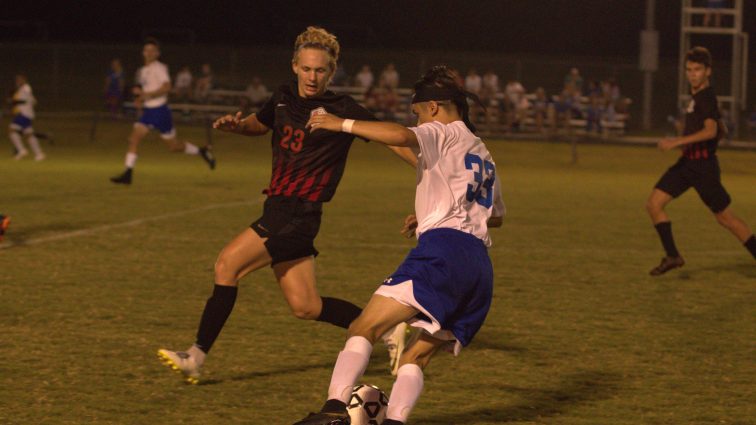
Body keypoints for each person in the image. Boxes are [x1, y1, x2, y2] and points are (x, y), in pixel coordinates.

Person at [156, 26, 413, 384]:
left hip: (296, 213)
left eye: (320, 70)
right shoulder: (281, 98)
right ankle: (387, 328)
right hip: (280, 210)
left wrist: (424, 166)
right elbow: (258, 125)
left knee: (226, 265)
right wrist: (236, 126)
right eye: (306, 68)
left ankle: (195, 356)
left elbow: (390, 138)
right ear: (294, 66)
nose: (312, 76)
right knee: (306, 307)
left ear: (331, 72)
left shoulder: (342, 109)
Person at [294, 65, 505, 425]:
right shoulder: (482, 151)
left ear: (434, 108)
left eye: (418, 112)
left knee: (364, 328)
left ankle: (332, 412)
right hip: (479, 269)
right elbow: (495, 216)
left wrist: (338, 123)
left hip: (443, 254)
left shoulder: (442, 131)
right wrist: (428, 212)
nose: (417, 120)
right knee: (414, 359)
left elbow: (398, 136)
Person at [646, 46, 756, 275]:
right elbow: (719, 128)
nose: (692, 74)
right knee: (654, 204)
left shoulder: (705, 97)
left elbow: (710, 130)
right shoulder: (696, 98)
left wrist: (677, 141)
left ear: (708, 71)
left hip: (703, 168)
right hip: (687, 165)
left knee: (726, 219)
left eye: (697, 69)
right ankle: (673, 256)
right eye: (689, 69)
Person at [110, 38, 215, 185]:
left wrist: (148, 95)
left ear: (157, 53)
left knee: (173, 146)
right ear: (143, 52)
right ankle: (128, 174)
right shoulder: (142, 71)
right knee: (133, 139)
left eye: (152, 50)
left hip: (160, 112)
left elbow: (166, 87)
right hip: (149, 112)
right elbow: (146, 90)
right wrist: (140, 98)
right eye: (147, 50)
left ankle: (201, 151)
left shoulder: (159, 68)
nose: (149, 53)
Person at [8, 74, 44, 161]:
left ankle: (22, 150)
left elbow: (25, 100)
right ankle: (39, 154)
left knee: (11, 130)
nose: (17, 81)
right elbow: (33, 101)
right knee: (29, 134)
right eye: (17, 80)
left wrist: (14, 101)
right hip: (26, 114)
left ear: (24, 80)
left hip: (24, 114)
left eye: (19, 80)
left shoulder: (26, 88)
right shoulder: (22, 89)